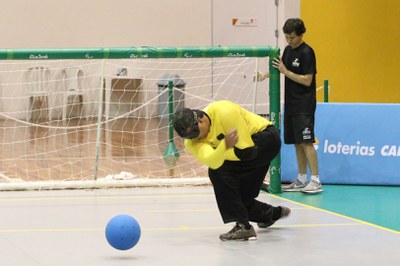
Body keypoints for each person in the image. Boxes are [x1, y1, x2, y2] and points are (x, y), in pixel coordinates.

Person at [172, 100, 291, 241]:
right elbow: (213, 161)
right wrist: (224, 146)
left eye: (195, 132)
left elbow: (248, 152)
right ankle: (272, 214)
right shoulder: (192, 142)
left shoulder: (224, 112)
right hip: (242, 153)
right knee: (238, 200)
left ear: (201, 119)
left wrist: (222, 151)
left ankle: (243, 227)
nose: (195, 138)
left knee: (218, 174)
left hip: (265, 140)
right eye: (188, 137)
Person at [255, 18, 322, 194]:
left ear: (301, 35)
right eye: (286, 37)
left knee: (306, 142)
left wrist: (286, 72)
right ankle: (301, 178)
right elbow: (280, 68)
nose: (289, 40)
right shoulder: (287, 50)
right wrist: (264, 75)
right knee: (297, 143)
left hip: (304, 105)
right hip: (290, 104)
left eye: (292, 37)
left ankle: (315, 180)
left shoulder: (308, 52)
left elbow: (307, 80)